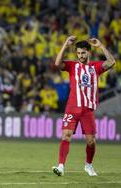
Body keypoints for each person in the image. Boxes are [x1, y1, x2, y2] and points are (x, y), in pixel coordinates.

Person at [52, 36, 116, 176]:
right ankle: (61, 166)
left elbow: (111, 62)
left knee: (91, 141)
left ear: (88, 53)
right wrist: (65, 44)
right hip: (72, 108)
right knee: (66, 136)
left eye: (83, 53)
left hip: (87, 110)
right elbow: (57, 63)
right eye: (78, 53)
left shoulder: (96, 67)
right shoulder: (72, 66)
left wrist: (100, 45)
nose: (80, 56)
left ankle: (88, 165)